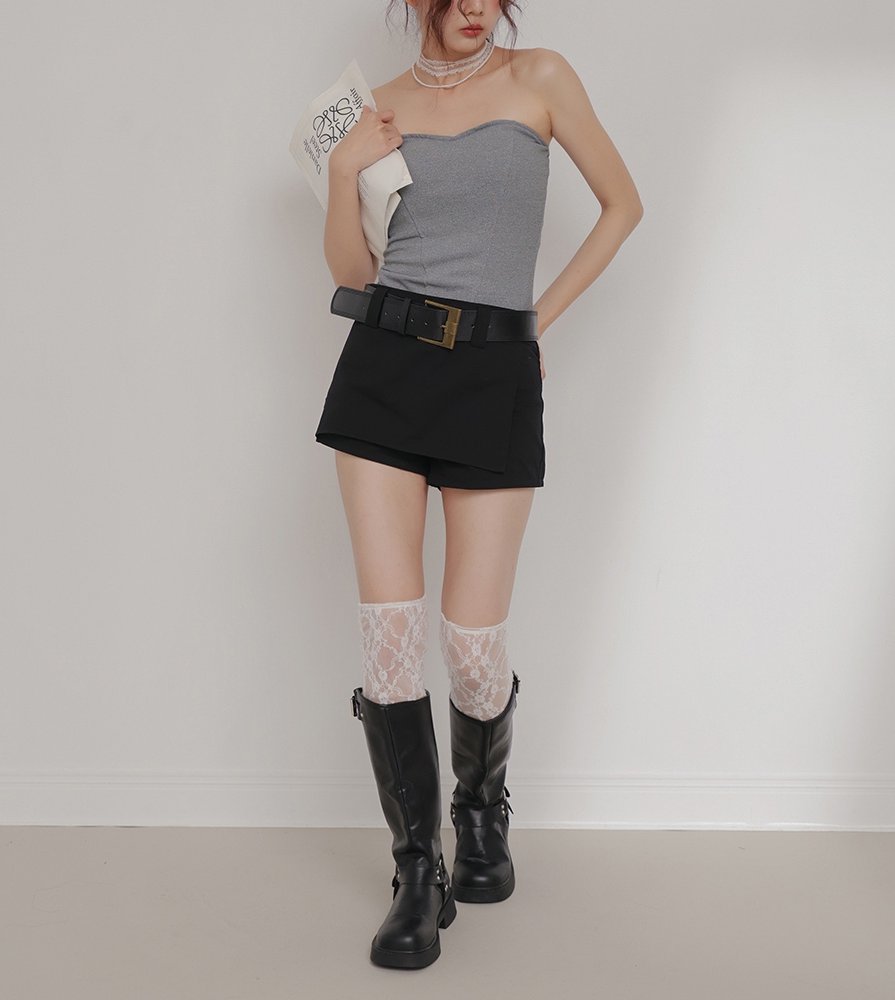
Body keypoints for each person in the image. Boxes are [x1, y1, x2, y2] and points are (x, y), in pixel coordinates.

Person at [314, 0, 642, 969]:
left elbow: (623, 205)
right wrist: (342, 171)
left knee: (470, 643)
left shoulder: (539, 78)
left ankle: (480, 805)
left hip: (493, 373)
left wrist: (536, 320)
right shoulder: (375, 108)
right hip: (383, 368)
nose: (472, 7)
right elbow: (352, 270)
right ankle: (418, 871)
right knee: (390, 635)